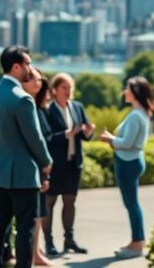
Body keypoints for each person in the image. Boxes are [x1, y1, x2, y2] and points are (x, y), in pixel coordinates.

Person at [0, 45, 53, 268]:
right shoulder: (22, 99)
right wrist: (46, 161)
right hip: (22, 174)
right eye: (28, 64)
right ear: (16, 67)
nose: (30, 69)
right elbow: (34, 138)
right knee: (26, 228)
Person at [100, 76, 154, 259]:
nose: (125, 91)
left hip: (128, 163)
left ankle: (137, 243)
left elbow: (127, 142)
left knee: (131, 204)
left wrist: (110, 139)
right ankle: (136, 241)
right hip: (133, 161)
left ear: (135, 92)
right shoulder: (142, 114)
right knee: (132, 204)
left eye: (128, 89)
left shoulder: (135, 115)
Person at [43, 73, 94, 255]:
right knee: (50, 202)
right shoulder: (48, 110)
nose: (68, 91)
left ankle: (69, 241)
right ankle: (48, 242)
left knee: (70, 201)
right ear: (55, 90)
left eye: (70, 87)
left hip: (74, 163)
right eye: (64, 88)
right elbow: (46, 138)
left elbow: (84, 133)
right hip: (55, 165)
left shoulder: (77, 107)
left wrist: (88, 132)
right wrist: (67, 133)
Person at [22, 70, 56, 266]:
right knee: (32, 215)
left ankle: (36, 252)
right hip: (35, 169)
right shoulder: (28, 107)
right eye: (34, 78)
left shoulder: (40, 109)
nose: (39, 82)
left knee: (37, 214)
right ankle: (33, 254)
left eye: (40, 79)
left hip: (42, 168)